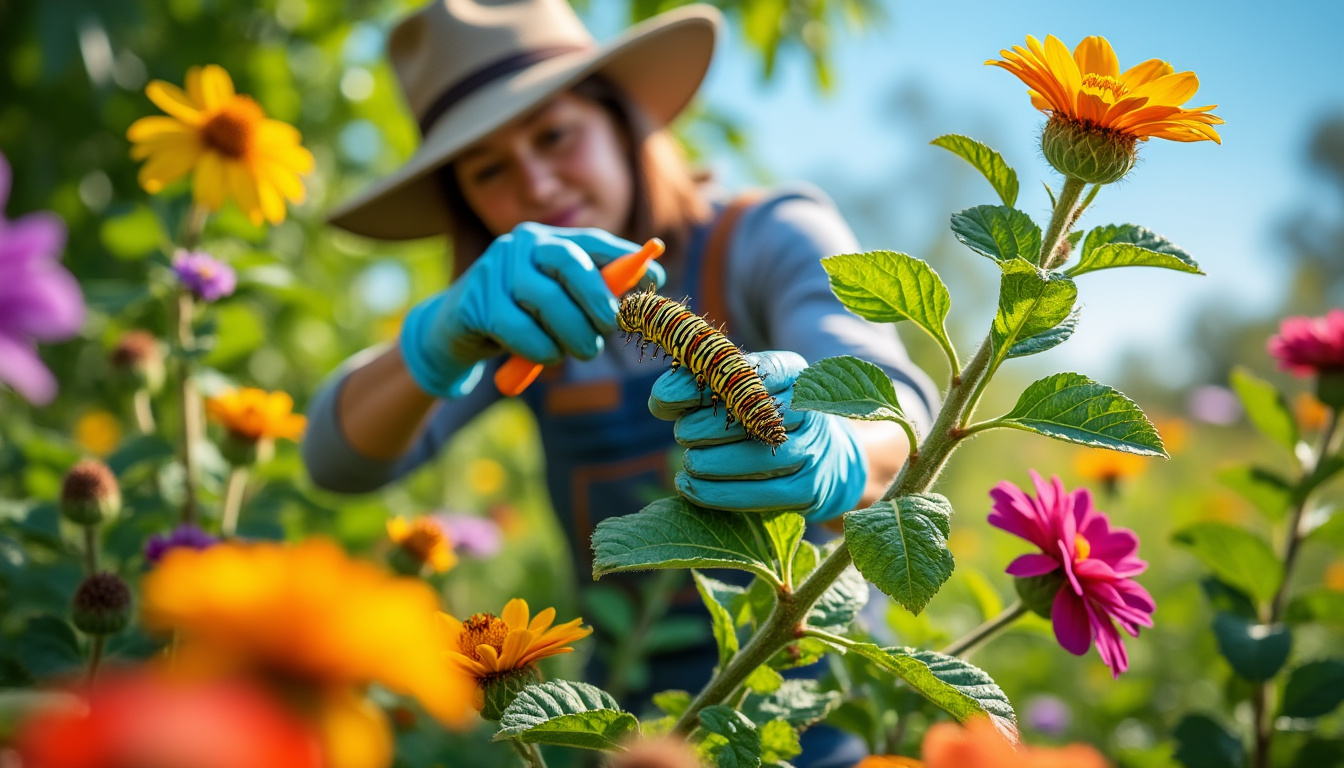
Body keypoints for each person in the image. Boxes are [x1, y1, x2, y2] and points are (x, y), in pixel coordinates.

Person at [304, 0, 939, 763]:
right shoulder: (510, 315)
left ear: (622, 121)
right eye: (489, 168)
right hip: (634, 730)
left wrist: (837, 445)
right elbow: (337, 460)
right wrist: (437, 340)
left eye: (555, 134)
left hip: (813, 711)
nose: (536, 182)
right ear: (462, 200)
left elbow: (899, 409)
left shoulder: (771, 235)